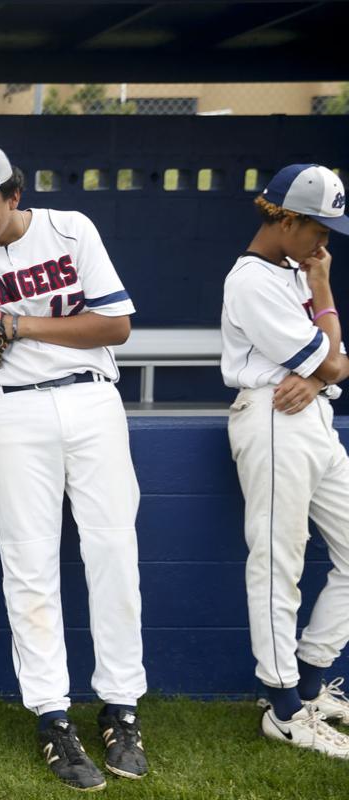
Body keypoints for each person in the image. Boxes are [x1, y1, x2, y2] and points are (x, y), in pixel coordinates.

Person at [0, 142, 147, 790]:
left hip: (90, 396)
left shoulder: (70, 229)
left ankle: (121, 705)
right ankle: (53, 716)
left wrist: (20, 325)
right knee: (29, 564)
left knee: (113, 552)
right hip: (7, 409)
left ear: (14, 195)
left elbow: (116, 325)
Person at [221, 163, 349, 758]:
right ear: (286, 218)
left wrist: (320, 377)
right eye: (317, 228)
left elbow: (331, 369)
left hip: (311, 417)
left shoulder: (296, 268)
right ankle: (284, 707)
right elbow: (336, 363)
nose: (324, 241)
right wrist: (321, 369)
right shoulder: (251, 279)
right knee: (278, 562)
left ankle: (311, 677)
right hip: (273, 418)